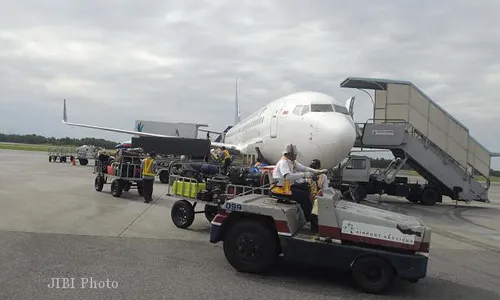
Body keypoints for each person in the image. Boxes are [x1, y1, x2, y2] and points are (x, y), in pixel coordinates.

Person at [271, 144, 328, 222]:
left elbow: (304, 168)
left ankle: (306, 210)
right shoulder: (283, 162)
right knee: (305, 197)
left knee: (306, 186)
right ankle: (309, 218)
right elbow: (288, 176)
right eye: (294, 154)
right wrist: (304, 175)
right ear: (288, 154)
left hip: (288, 186)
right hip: (282, 188)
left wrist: (318, 171)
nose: (296, 155)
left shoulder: (292, 162)